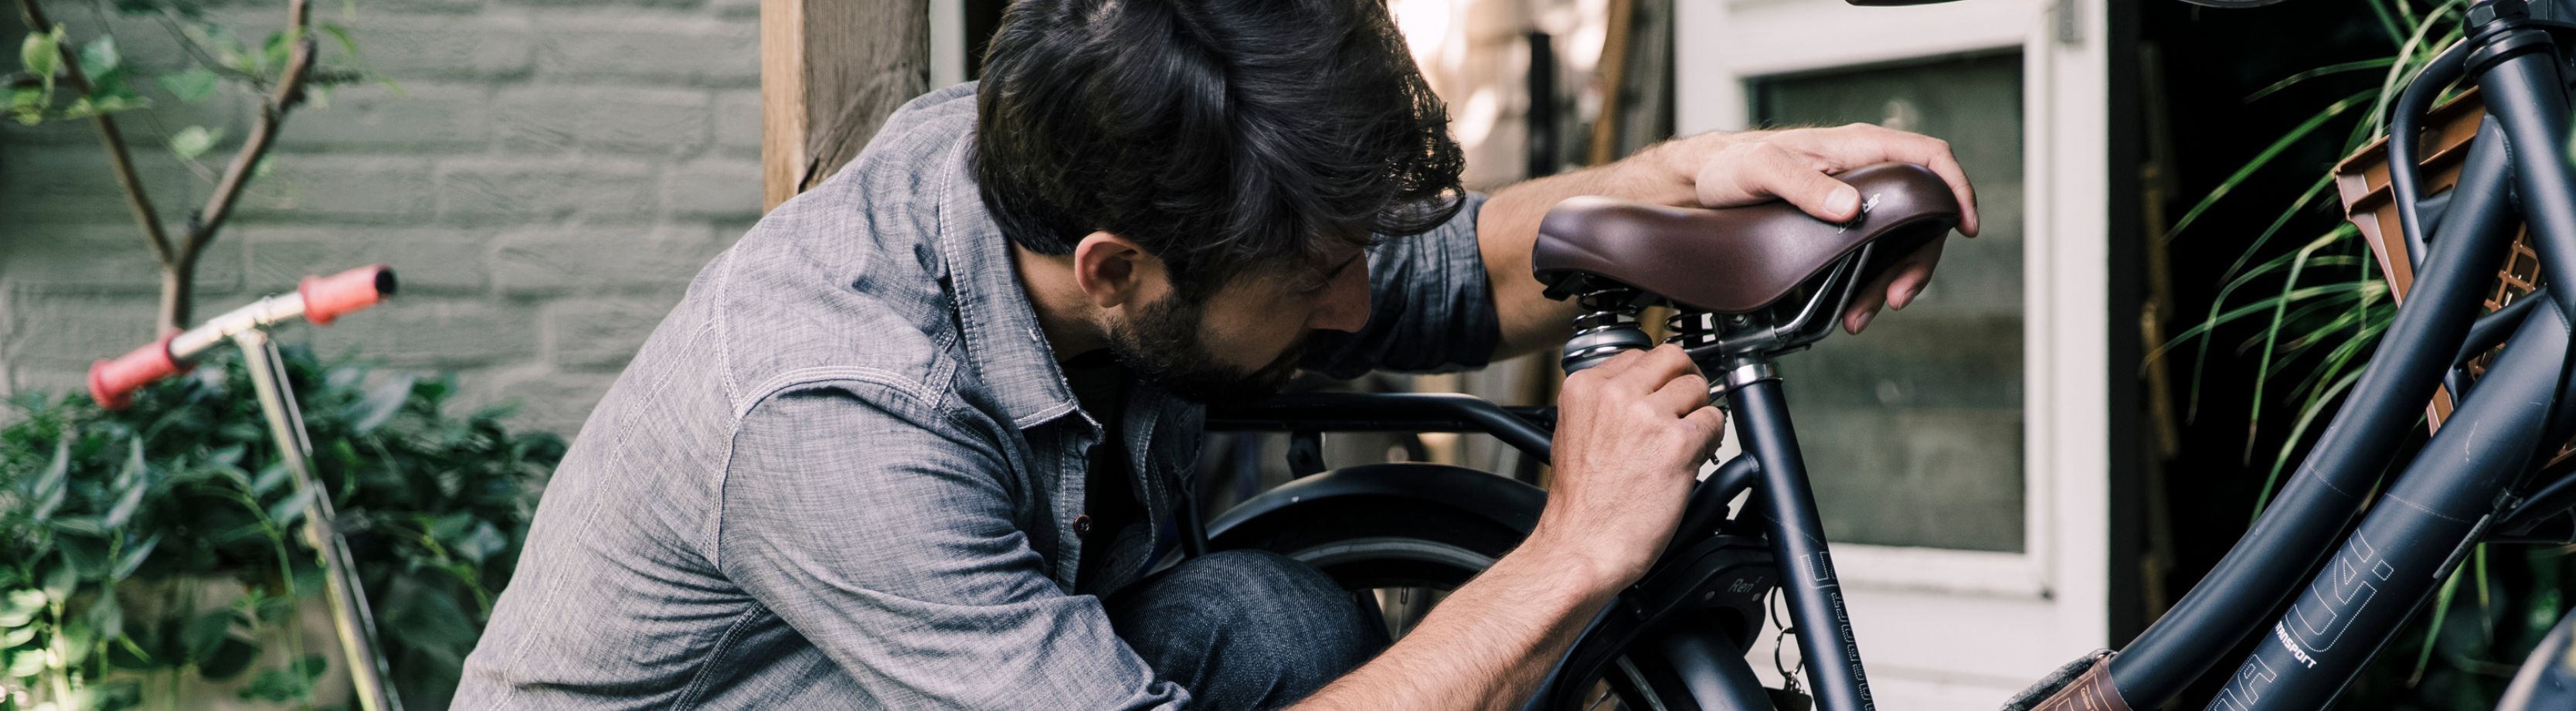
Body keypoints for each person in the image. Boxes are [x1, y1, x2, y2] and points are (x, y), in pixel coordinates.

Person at [451, 0, 1976, 706]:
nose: (1348, 310)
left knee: (1269, 618)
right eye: (1312, 275)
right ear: (1116, 273)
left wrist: (1695, 179)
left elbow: (1433, 278)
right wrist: (1567, 552)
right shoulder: (834, 413)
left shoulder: (1095, 181)